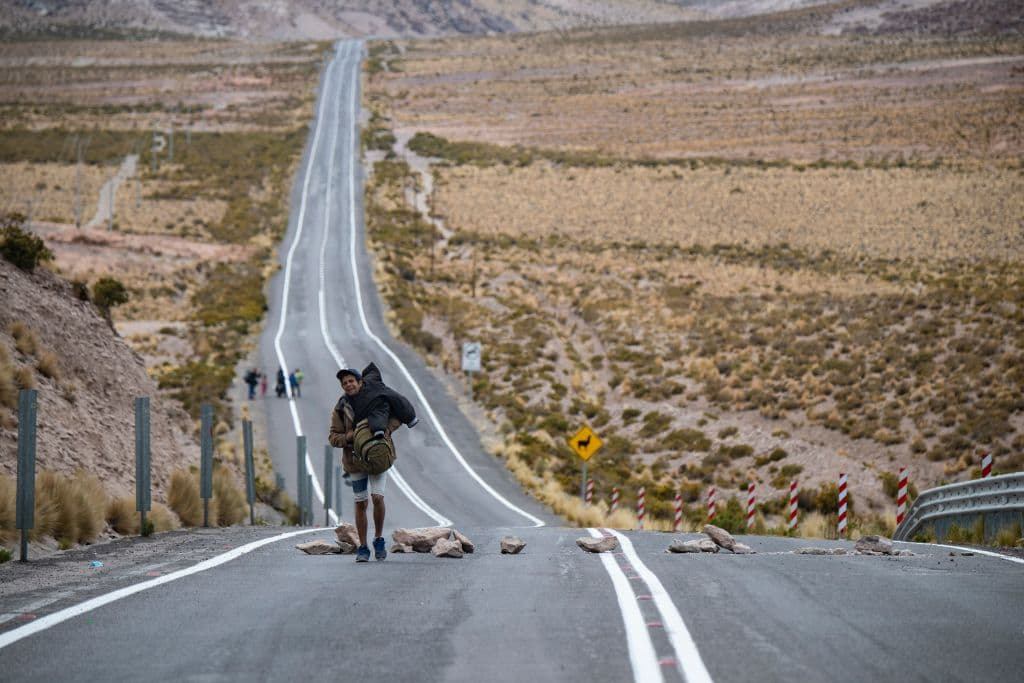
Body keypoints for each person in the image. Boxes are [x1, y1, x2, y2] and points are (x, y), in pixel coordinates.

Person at [328, 364, 417, 562]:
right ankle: (362, 546)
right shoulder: (341, 407)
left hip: (378, 457)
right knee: (361, 502)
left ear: (360, 382)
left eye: (352, 381)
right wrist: (350, 437)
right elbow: (333, 437)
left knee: (377, 498)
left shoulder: (377, 397)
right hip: (355, 461)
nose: (349, 385)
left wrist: (388, 429)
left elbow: (398, 416)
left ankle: (378, 539)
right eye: (345, 383)